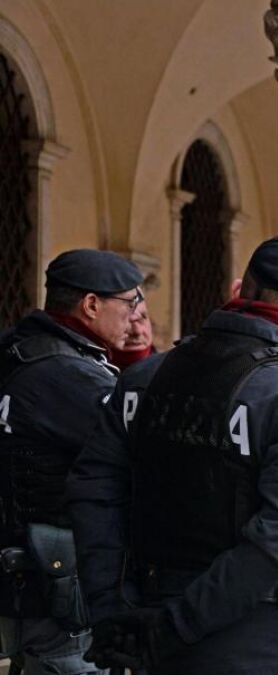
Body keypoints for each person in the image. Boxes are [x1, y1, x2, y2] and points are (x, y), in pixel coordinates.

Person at [67, 236, 278, 675]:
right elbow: (276, 541)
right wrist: (172, 628)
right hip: (247, 642)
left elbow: (94, 493)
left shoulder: (143, 378)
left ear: (242, 292)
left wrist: (113, 613)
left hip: (142, 622)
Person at [0, 249, 144, 674]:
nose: (136, 317)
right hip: (53, 587)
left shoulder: (17, 351)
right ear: (91, 305)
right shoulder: (69, 375)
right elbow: (139, 456)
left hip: (24, 576)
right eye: (130, 302)